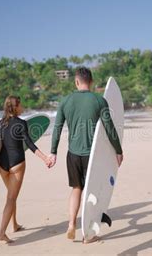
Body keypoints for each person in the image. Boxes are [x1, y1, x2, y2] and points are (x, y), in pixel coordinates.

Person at [48, 67, 123, 244]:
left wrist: (53, 152)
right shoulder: (99, 100)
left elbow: (57, 128)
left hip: (73, 154)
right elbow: (109, 128)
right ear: (91, 81)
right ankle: (88, 234)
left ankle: (72, 223)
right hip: (93, 155)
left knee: (76, 189)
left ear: (76, 81)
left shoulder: (65, 101)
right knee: (94, 191)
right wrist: (118, 150)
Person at [0, 95, 51, 243]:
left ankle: (14, 224)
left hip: (2, 165)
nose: (23, 107)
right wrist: (45, 158)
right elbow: (30, 145)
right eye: (21, 105)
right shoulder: (21, 123)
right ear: (16, 107)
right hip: (16, 164)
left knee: (11, 196)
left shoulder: (0, 123)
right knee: (11, 198)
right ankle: (1, 232)